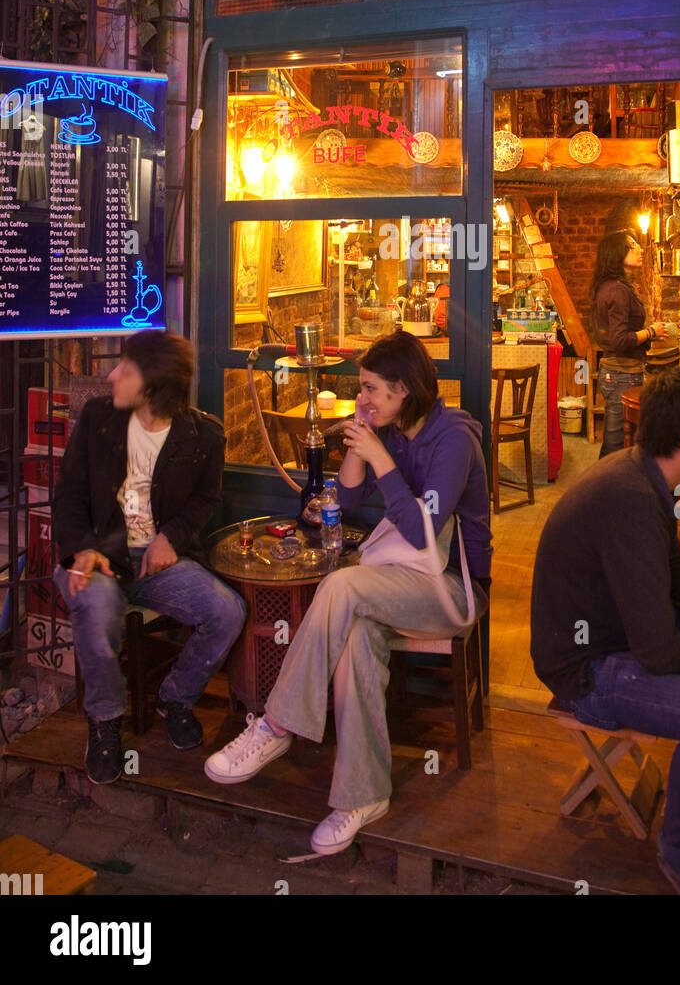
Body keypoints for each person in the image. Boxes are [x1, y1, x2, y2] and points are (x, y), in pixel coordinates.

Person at [204, 329, 492, 855]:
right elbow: (354, 495)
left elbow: (422, 532)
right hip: (404, 582)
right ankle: (362, 798)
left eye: (371, 390)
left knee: (340, 584)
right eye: (360, 389)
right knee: (357, 638)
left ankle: (276, 723)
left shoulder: (453, 438)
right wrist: (359, 439)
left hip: (454, 589)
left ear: (403, 389)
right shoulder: (395, 427)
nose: (361, 398)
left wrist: (382, 457)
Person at [530, 367, 680, 896]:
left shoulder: (641, 470)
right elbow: (655, 648)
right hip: (588, 669)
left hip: (616, 627)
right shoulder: (629, 497)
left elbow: (673, 564)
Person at [53, 330, 246, 784]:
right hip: (97, 556)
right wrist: (81, 546)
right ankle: (104, 723)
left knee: (227, 611)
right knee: (99, 608)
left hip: (156, 562)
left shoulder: (203, 435)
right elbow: (68, 496)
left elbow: (205, 499)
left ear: (153, 386)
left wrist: (171, 539)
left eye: (126, 368)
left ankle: (175, 697)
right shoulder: (99, 420)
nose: (111, 374)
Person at [591, 229, 668, 456]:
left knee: (620, 442)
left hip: (616, 373)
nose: (640, 250)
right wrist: (651, 332)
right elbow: (620, 340)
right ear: (617, 254)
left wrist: (648, 334)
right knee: (615, 446)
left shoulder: (612, 286)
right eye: (632, 246)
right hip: (620, 374)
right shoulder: (617, 290)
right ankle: (603, 490)